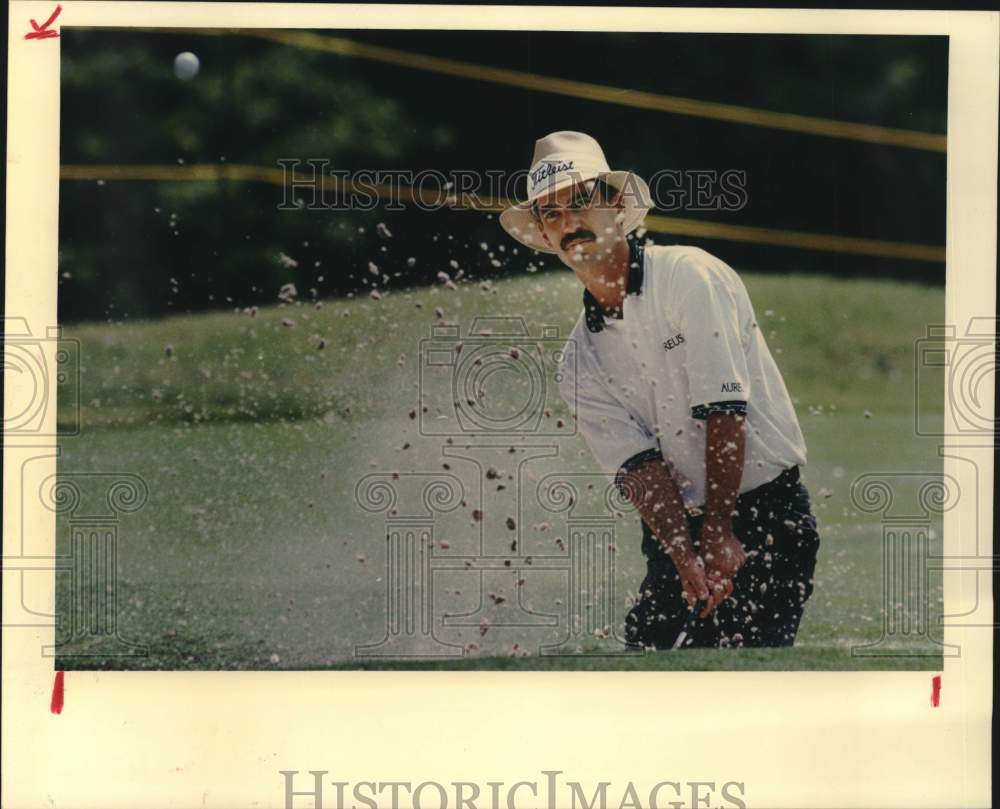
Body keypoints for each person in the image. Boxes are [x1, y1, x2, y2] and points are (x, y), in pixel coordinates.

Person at [499, 131, 820, 649]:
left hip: (766, 517)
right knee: (646, 662)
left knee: (741, 683)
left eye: (581, 202)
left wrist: (718, 530)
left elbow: (724, 412)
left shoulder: (690, 276)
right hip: (676, 534)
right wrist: (686, 558)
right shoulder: (577, 363)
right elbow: (641, 470)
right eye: (552, 214)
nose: (570, 223)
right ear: (541, 231)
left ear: (617, 206)